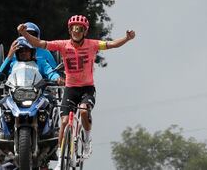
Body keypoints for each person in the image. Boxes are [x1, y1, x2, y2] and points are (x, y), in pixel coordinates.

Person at [17, 15, 135, 169]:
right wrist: (25, 34)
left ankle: (86, 140)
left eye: (79, 29)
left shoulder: (92, 44)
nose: (76, 31)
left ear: (85, 31)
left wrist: (126, 38)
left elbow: (111, 44)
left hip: (87, 88)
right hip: (70, 88)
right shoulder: (63, 45)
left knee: (84, 112)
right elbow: (39, 43)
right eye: (73, 28)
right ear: (69, 30)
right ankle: (60, 159)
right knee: (64, 122)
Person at [0, 36, 64, 84]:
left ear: (32, 52)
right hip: (15, 93)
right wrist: (9, 56)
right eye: (20, 51)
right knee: (2, 102)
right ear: (16, 53)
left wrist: (57, 78)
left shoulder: (41, 62)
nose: (24, 53)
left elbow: (51, 73)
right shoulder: (12, 64)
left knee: (49, 101)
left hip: (37, 93)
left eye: (26, 50)